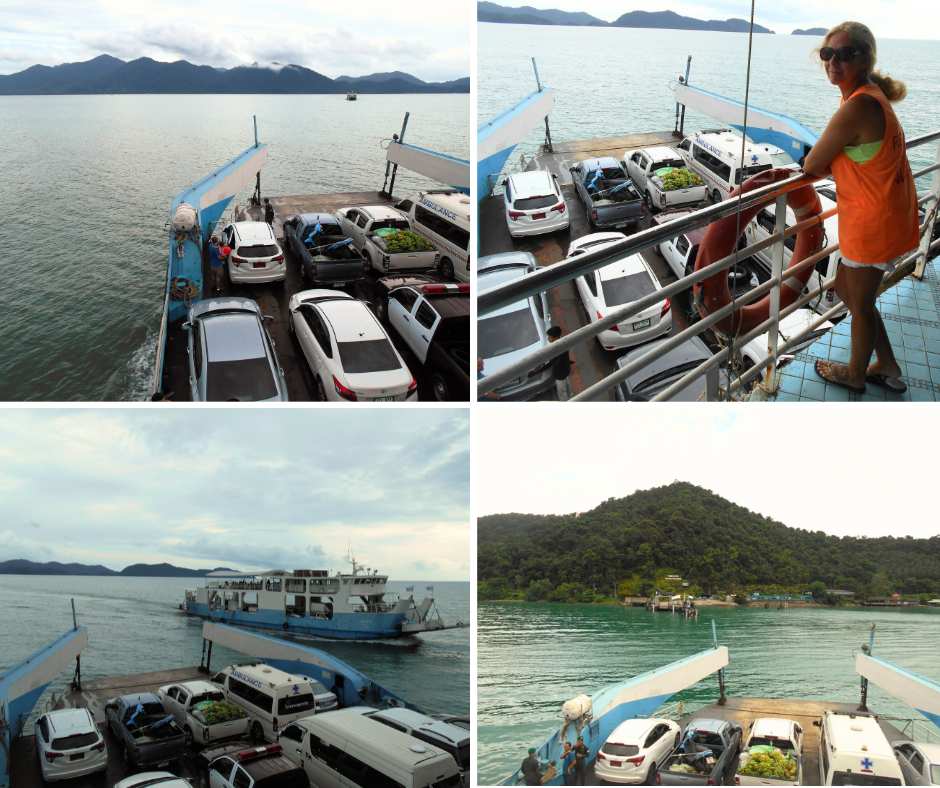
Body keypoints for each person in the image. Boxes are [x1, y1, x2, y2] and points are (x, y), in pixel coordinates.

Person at [803, 21, 919, 395]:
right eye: (827, 54)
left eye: (845, 54)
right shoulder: (868, 96)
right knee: (848, 290)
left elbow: (811, 166)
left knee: (861, 301)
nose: (833, 62)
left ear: (865, 58)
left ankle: (856, 373)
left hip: (873, 222)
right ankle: (886, 363)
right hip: (880, 216)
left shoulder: (859, 107)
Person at [547, 326, 574, 401]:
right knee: (568, 385)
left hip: (559, 374)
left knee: (562, 392)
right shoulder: (563, 342)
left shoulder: (556, 348)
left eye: (549, 337)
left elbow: (552, 362)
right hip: (566, 370)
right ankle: (571, 396)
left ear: (555, 337)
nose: (548, 338)